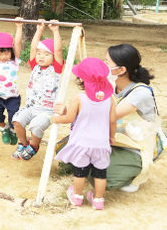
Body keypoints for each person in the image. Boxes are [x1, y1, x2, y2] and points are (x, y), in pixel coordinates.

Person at [53, 58, 117, 210]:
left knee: (80, 172)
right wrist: (111, 137)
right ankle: (98, 200)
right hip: (101, 145)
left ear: (81, 79)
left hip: (81, 144)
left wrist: (55, 118)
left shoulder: (79, 98)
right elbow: (112, 121)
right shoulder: (109, 99)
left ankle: (77, 197)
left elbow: (69, 118)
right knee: (100, 173)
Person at [102, 43, 165, 192]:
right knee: (71, 152)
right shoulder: (115, 85)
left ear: (122, 70)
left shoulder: (140, 92)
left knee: (105, 178)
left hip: (137, 146)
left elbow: (110, 115)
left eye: (107, 62)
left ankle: (136, 174)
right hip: (117, 138)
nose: (103, 65)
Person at [11, 20, 64, 160]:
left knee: (35, 126)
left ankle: (34, 146)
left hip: (47, 110)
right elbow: (33, 48)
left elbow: (58, 50)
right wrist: (39, 30)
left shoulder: (56, 69)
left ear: (53, 58)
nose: (41, 56)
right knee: (16, 120)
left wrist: (55, 31)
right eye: (40, 53)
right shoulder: (35, 65)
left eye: (46, 54)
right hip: (31, 106)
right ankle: (23, 144)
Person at [0, 16, 23, 145]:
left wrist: (19, 27)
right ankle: (4, 128)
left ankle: (12, 130)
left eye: (6, 53)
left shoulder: (14, 61)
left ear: (11, 52)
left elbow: (17, 43)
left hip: (12, 97)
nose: (2, 56)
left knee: (14, 119)